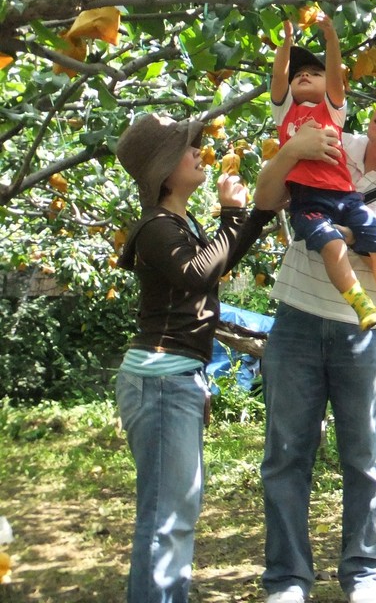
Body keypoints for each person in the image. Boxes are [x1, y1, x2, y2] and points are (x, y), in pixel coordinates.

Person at [254, 81, 376, 603]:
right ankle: (287, 581)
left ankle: (365, 577)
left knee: (365, 460)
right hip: (296, 319)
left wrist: (357, 235)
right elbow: (266, 198)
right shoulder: (332, 138)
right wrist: (293, 152)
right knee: (284, 456)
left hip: (361, 336)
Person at [113, 113, 274, 603]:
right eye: (188, 149)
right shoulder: (156, 226)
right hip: (161, 380)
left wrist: (256, 214)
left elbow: (219, 261)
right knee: (167, 521)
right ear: (164, 169)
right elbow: (197, 272)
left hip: (174, 377)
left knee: (176, 517)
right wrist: (232, 214)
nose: (199, 153)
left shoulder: (178, 221)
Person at [271, 15, 376, 337]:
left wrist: (331, 40)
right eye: (298, 74)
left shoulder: (333, 111)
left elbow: (337, 75)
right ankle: (360, 303)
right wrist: (285, 42)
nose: (305, 74)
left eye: (314, 72)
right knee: (332, 245)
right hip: (307, 201)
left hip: (345, 196)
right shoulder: (285, 114)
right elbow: (278, 78)